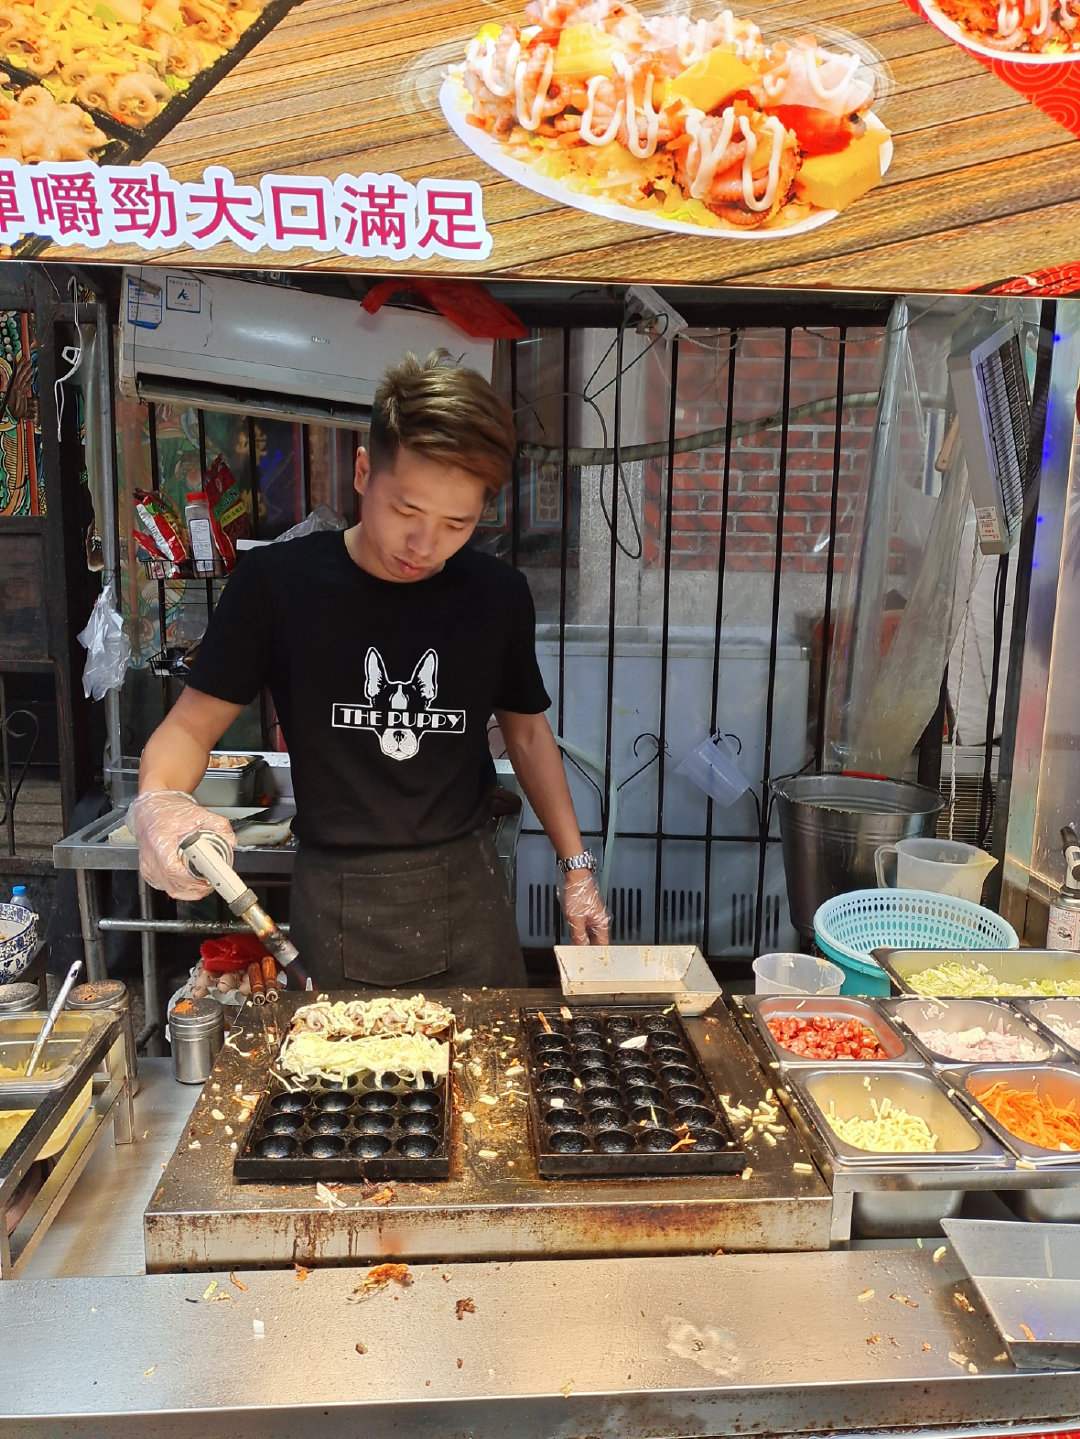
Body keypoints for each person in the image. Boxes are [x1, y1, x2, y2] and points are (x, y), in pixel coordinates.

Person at [130, 351, 609, 993]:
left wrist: (576, 866)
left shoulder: (497, 596)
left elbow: (526, 735)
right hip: (336, 894)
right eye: (406, 512)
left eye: (456, 524)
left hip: (467, 886)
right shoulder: (279, 586)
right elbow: (188, 731)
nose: (425, 545)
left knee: (488, 1085)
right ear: (363, 472)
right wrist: (161, 803)